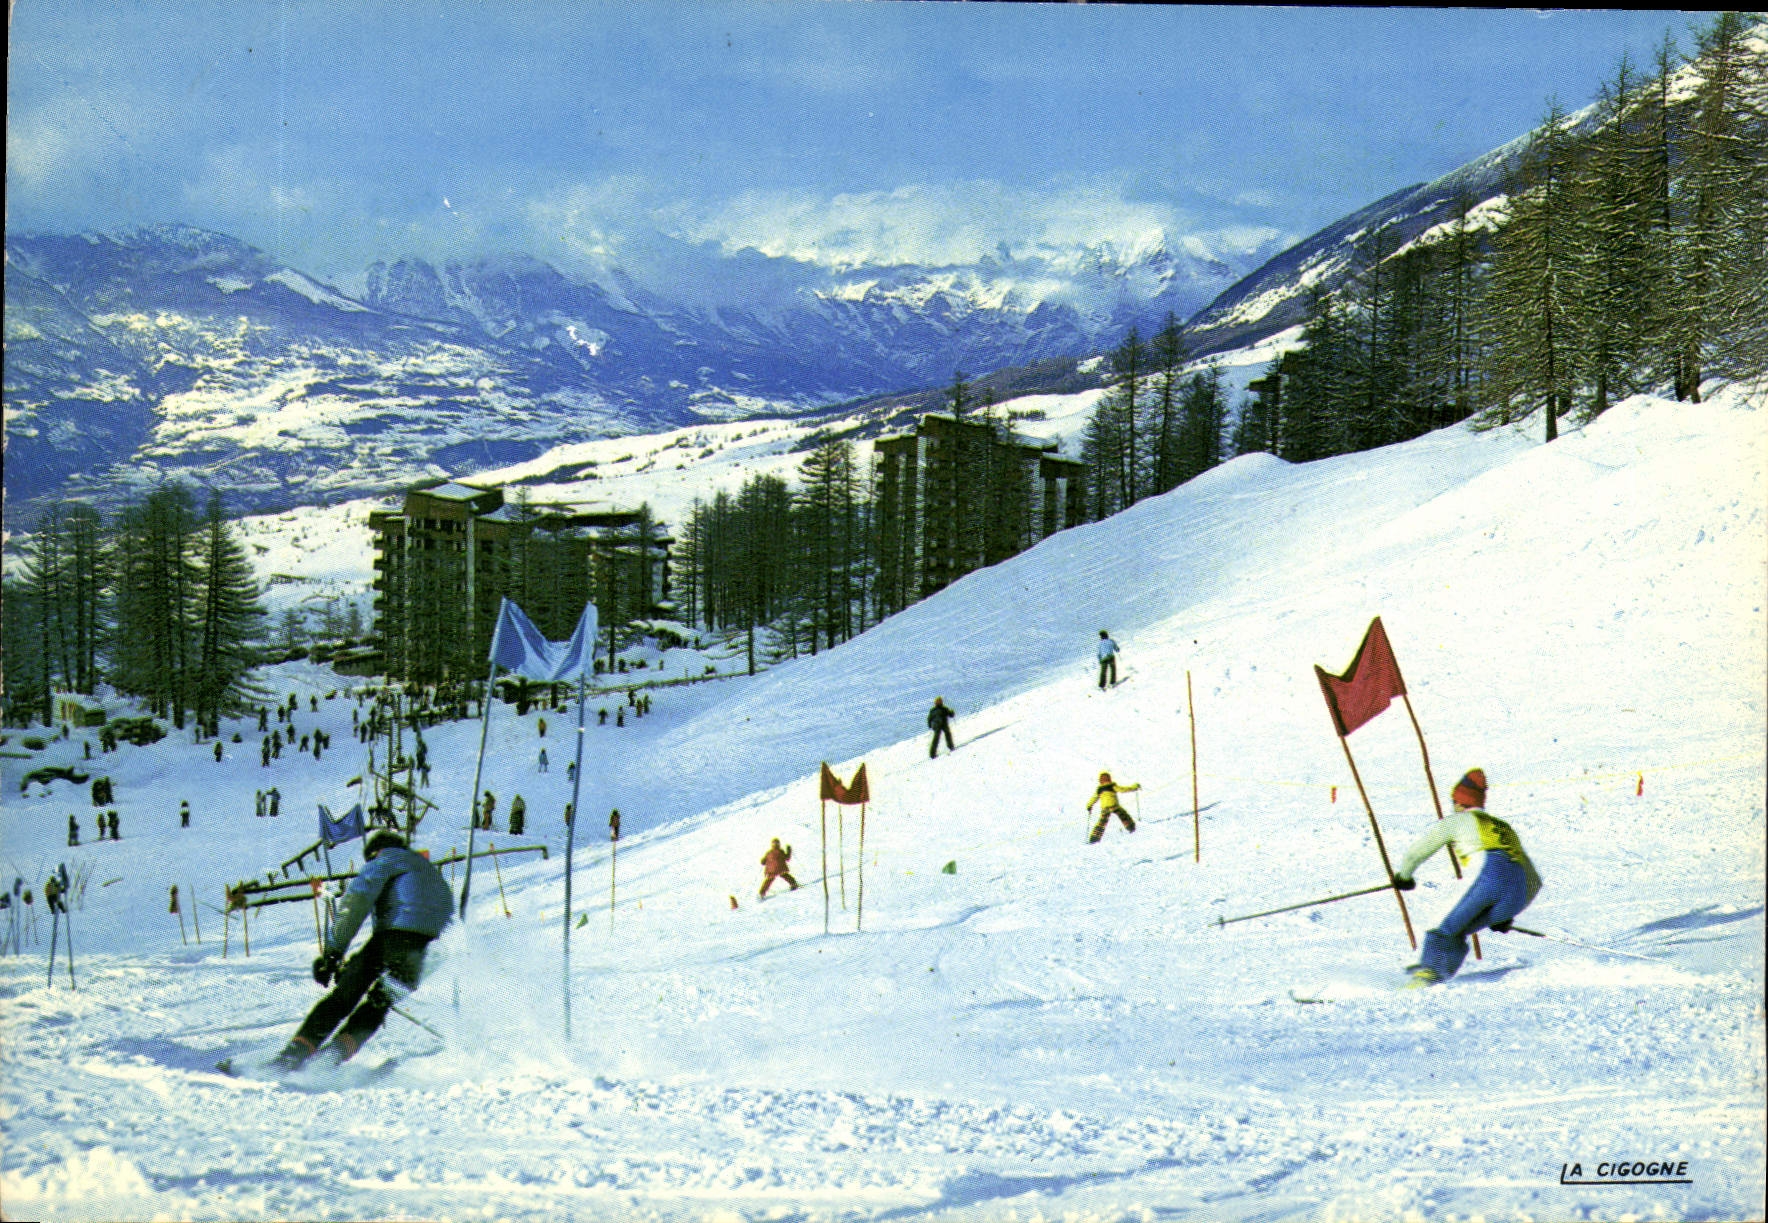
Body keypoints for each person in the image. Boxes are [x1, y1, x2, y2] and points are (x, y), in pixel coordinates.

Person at [272, 829, 453, 1070]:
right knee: (379, 1002)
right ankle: (332, 1057)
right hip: (427, 951)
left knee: (345, 995)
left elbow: (356, 901)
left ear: (375, 851)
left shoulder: (386, 859)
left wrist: (332, 954)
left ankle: (293, 1056)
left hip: (394, 937)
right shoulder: (431, 872)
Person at [1393, 769, 1542, 988]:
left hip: (1488, 872)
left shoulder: (1459, 820)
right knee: (1457, 927)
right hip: (1520, 891)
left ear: (1460, 802)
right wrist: (1504, 914)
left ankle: (1428, 976)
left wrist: (1403, 876)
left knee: (1440, 924)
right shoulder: (1503, 827)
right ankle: (1437, 976)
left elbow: (1417, 851)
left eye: (1453, 801)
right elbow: (1534, 880)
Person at [1086, 771, 1140, 842]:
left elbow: (1094, 798)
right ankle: (1131, 827)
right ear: (1109, 779)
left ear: (1100, 781)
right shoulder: (1112, 786)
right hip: (1114, 806)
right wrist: (1134, 787)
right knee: (1123, 815)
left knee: (1101, 823)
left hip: (1105, 808)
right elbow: (1123, 789)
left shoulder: (1099, 789)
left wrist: (1089, 806)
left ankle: (1094, 838)